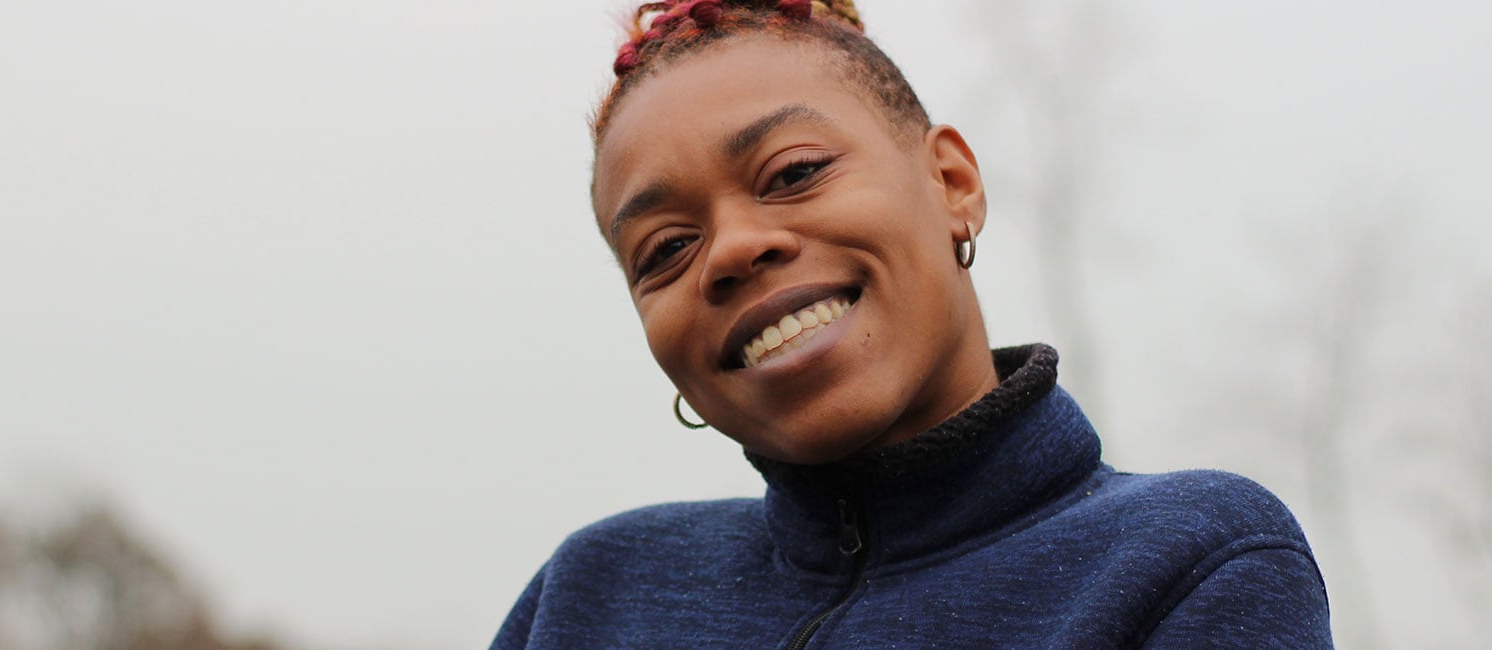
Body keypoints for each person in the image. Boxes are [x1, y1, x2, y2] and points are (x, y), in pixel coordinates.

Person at [489, 0, 1334, 647]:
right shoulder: (591, 595)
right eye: (665, 248)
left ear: (951, 182)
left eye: (793, 172)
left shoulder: (1188, 564)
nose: (733, 251)